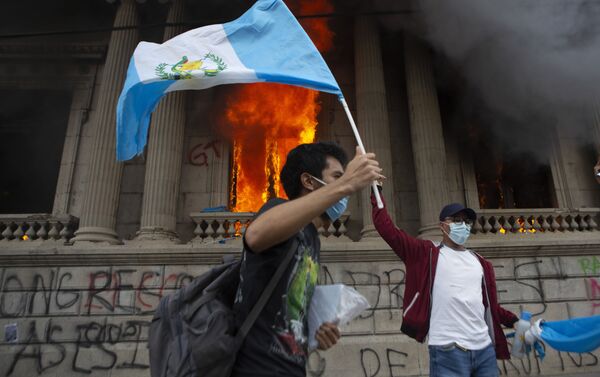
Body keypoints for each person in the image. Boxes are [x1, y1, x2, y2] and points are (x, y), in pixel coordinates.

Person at [231, 142, 383, 377]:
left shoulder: (313, 240)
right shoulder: (278, 209)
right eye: (336, 176)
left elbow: (289, 317)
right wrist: (347, 183)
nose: (347, 191)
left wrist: (318, 333)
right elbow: (255, 235)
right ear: (309, 181)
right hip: (256, 368)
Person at [371, 190, 519, 377]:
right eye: (456, 220)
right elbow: (386, 228)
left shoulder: (481, 263)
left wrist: (515, 321)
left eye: (466, 221)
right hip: (448, 350)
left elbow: (487, 305)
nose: (463, 225)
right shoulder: (426, 254)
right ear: (442, 225)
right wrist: (375, 188)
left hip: (484, 350)